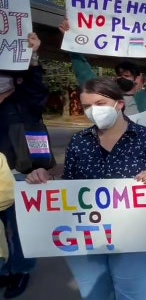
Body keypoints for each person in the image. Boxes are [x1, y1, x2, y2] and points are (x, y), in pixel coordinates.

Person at [25, 78, 146, 300]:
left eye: (100, 103)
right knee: (95, 294)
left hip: (135, 233)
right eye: (86, 106)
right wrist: (44, 180)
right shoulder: (79, 141)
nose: (93, 111)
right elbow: (71, 188)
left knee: (136, 295)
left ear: (119, 104)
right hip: (84, 234)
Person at [0, 32, 44, 298]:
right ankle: (4, 269)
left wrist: (34, 56)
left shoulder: (24, 103)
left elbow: (37, 89)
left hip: (18, 174)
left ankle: (21, 270)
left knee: (20, 229)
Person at [59, 18, 146, 115]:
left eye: (127, 75)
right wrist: (70, 41)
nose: (122, 77)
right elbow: (85, 75)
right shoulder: (107, 96)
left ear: (137, 78)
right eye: (119, 75)